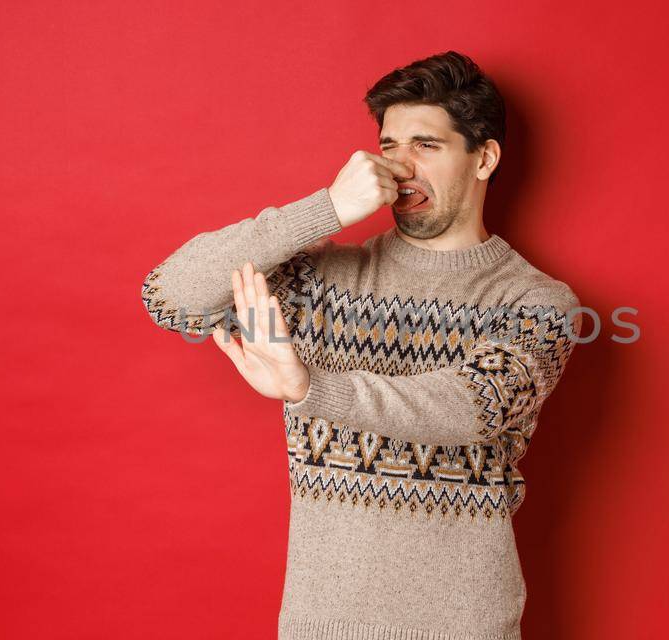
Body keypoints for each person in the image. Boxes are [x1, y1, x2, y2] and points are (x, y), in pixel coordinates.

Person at [141, 50, 580, 640]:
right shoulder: (322, 281)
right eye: (389, 146)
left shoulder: (539, 303)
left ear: (485, 158)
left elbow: (472, 406)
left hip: (464, 626)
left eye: (426, 145)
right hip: (321, 624)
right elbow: (169, 297)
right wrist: (325, 210)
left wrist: (311, 389)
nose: (400, 168)